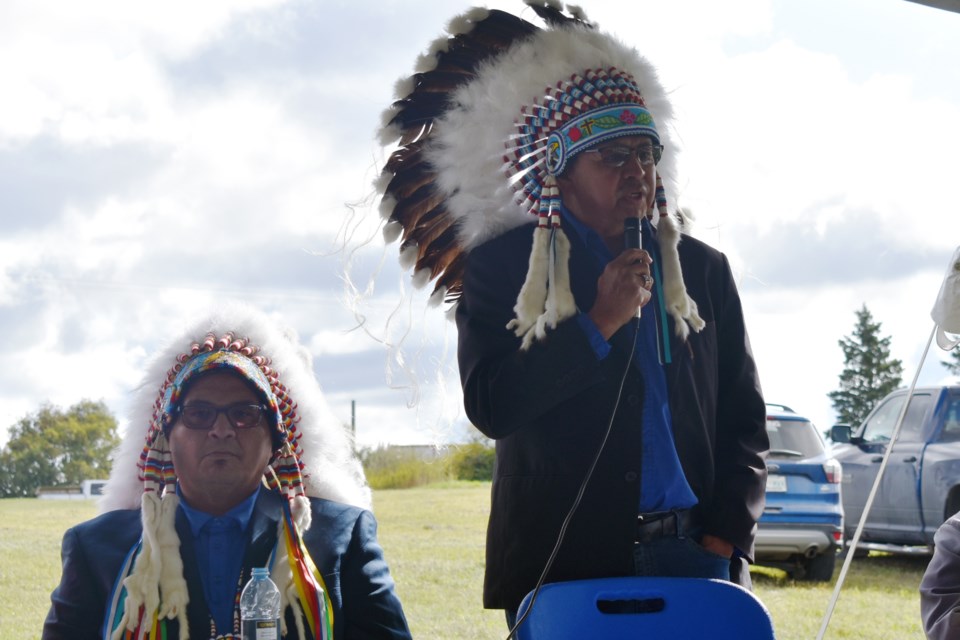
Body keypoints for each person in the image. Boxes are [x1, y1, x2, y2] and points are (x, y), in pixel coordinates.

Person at [375, 1, 768, 624]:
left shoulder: (701, 269)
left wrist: (726, 533)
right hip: (564, 562)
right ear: (559, 171)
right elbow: (492, 404)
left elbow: (744, 419)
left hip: (693, 553)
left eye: (646, 153)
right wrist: (597, 322)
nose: (638, 172)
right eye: (613, 158)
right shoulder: (506, 268)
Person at [42, 303, 412, 640]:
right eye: (199, 414)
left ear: (275, 440)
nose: (221, 430)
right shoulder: (99, 549)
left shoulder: (340, 539)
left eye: (244, 413)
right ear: (166, 438)